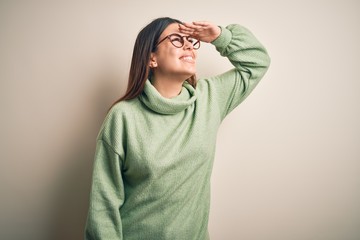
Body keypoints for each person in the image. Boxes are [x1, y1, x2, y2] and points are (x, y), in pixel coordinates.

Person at [85, 17, 270, 240]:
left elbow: (258, 61)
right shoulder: (123, 116)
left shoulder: (209, 99)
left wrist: (220, 37)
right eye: (176, 39)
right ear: (151, 58)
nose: (189, 45)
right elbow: (103, 205)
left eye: (191, 40)